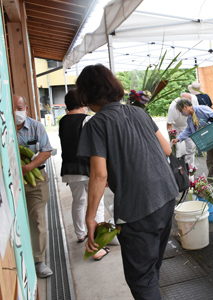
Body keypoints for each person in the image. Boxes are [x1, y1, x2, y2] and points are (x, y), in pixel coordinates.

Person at [76, 64, 179, 299]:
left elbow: (99, 175)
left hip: (138, 208)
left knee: (141, 278)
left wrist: (90, 218)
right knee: (151, 268)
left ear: (87, 94)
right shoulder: (139, 112)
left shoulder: (97, 124)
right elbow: (165, 149)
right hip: (165, 196)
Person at [59, 89, 109, 260]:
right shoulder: (87, 119)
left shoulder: (62, 121)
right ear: (82, 103)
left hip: (70, 169)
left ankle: (81, 234)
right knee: (97, 203)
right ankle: (98, 245)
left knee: (78, 201)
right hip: (88, 169)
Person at [13, 95, 54, 277]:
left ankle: (39, 260)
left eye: (20, 108)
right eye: (13, 108)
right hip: (9, 181)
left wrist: (27, 167)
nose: (17, 112)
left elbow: (46, 151)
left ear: (26, 109)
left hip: (34, 179)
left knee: (37, 219)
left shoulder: (36, 126)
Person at [170, 98, 213, 179]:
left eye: (181, 111)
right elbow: (188, 130)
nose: (182, 114)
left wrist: (207, 126)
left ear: (185, 107)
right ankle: (212, 180)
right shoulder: (190, 119)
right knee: (210, 160)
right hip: (208, 140)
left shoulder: (201, 109)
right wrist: (178, 139)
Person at [166, 93, 198, 165]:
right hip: (175, 127)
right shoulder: (173, 108)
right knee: (176, 148)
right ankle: (178, 166)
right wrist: (172, 134)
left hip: (188, 125)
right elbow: (169, 124)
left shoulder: (194, 99)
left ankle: (191, 168)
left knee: (191, 147)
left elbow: (196, 114)